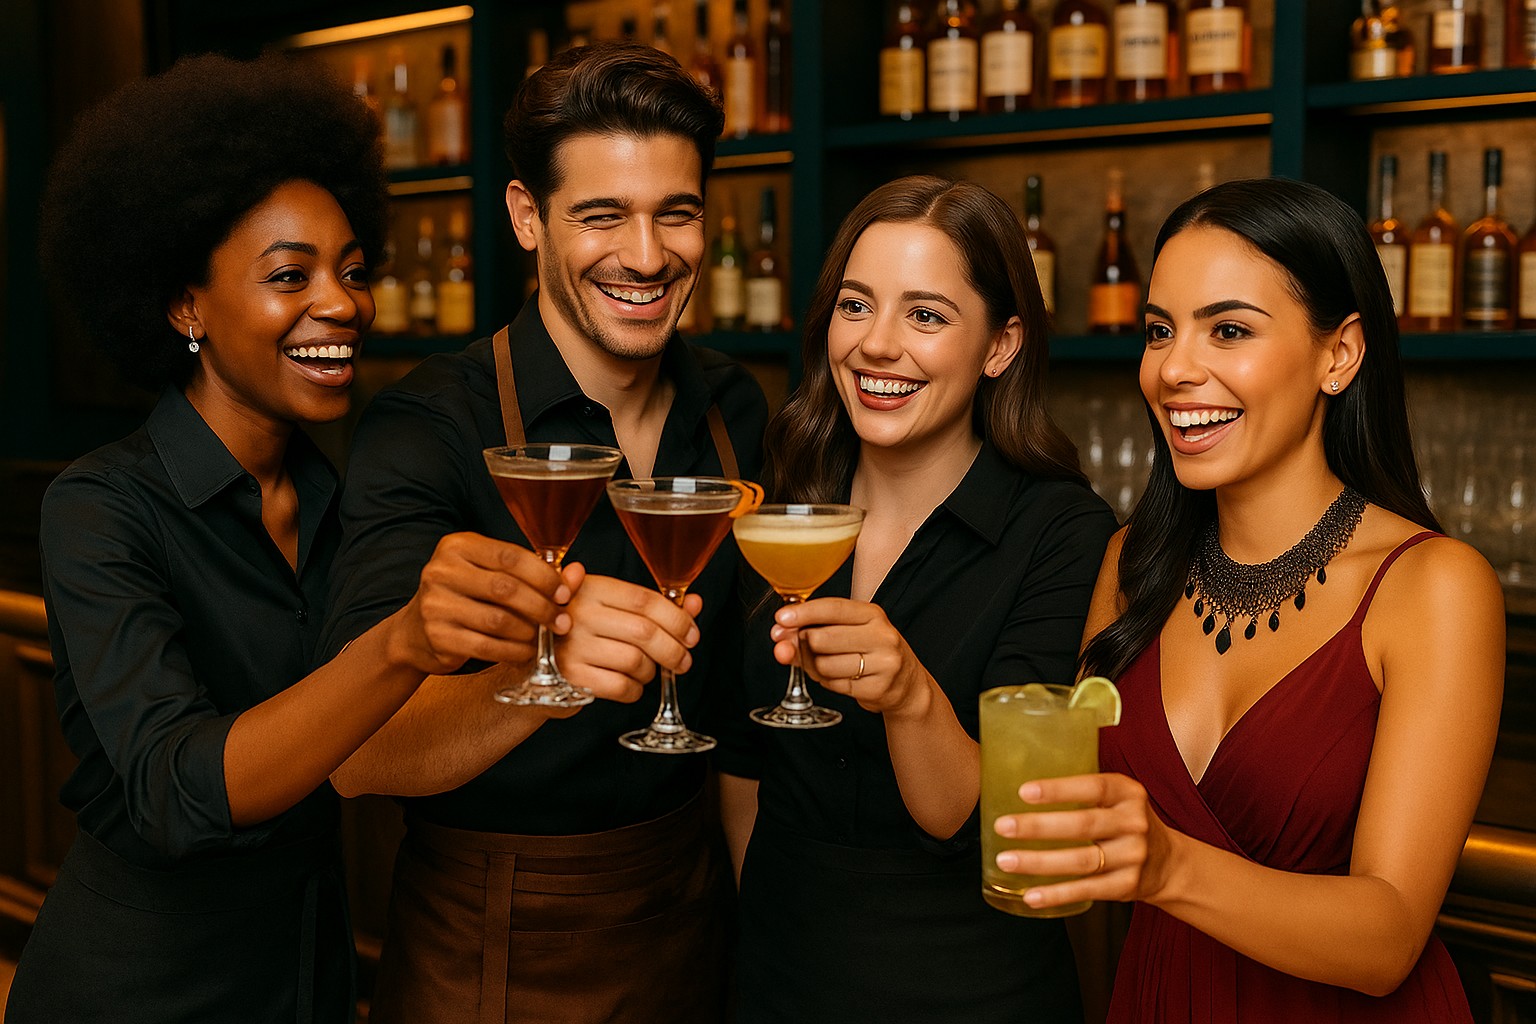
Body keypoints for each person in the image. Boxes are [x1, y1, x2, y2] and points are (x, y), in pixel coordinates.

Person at [8, 53, 568, 1024]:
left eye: (353, 272)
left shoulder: (337, 497)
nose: (343, 304)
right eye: (289, 275)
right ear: (186, 305)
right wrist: (398, 646)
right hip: (142, 990)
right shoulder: (101, 507)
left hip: (310, 974)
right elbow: (176, 787)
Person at [318, 43, 766, 1024]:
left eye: (675, 214)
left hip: (699, 927)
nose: (645, 256)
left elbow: (739, 724)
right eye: (602, 216)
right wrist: (542, 669)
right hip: (497, 939)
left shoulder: (735, 408)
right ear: (529, 217)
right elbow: (361, 753)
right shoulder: (430, 428)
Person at [992, 178, 1503, 1021]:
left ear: (1339, 354)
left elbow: (1389, 938)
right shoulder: (1131, 565)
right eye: (1160, 332)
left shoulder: (1433, 586)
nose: (1175, 369)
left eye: (1228, 329)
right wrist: (905, 692)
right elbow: (1048, 813)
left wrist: (1169, 867)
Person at [716, 175, 1118, 1022]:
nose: (876, 345)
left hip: (967, 985)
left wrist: (908, 694)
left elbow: (973, 816)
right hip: (779, 972)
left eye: (926, 315)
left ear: (1001, 345)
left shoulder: (1061, 532)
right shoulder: (781, 498)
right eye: (855, 306)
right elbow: (743, 768)